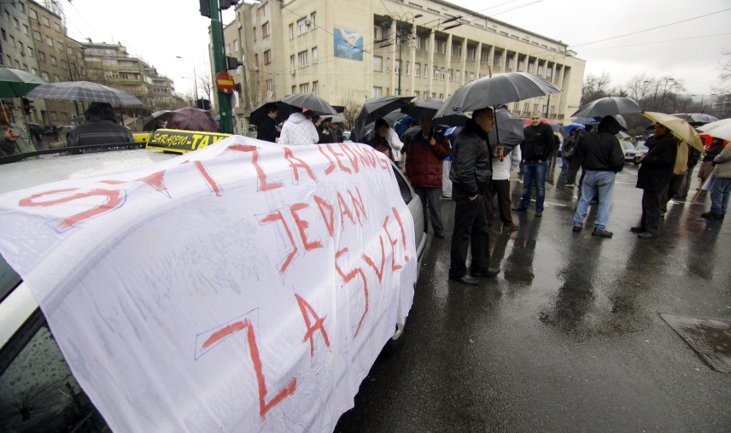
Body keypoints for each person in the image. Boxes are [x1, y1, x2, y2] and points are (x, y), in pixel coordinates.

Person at [448, 107, 498, 285]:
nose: (492, 121)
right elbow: (464, 170)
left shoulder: (478, 136)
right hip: (469, 193)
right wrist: (472, 193)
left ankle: (480, 266)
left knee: (481, 230)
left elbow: (477, 162)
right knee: (463, 233)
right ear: (478, 120)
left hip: (476, 191)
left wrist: (493, 152)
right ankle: (457, 272)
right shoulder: (470, 138)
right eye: (489, 118)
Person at [571, 116, 625, 238]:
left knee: (585, 199)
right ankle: (600, 227)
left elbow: (580, 153)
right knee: (604, 201)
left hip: (590, 171)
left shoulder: (590, 138)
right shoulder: (613, 140)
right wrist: (617, 168)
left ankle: (577, 223)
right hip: (606, 173)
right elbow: (617, 160)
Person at [404, 116, 450, 238]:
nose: (425, 123)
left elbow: (445, 153)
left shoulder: (439, 138)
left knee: (435, 208)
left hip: (433, 181)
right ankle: (422, 230)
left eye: (427, 120)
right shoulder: (415, 139)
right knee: (420, 209)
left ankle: (438, 230)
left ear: (432, 123)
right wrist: (411, 174)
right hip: (418, 181)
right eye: (422, 120)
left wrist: (435, 144)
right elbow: (409, 159)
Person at [632, 122, 678, 239]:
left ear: (665, 129)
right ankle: (644, 225)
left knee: (653, 204)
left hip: (657, 178)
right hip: (650, 177)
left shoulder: (670, 142)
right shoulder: (661, 140)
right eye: (656, 127)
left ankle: (652, 229)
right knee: (646, 203)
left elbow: (665, 161)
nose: (656, 129)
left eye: (658, 128)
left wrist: (647, 159)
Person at [515, 112, 554, 216]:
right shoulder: (527, 130)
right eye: (533, 118)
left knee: (540, 187)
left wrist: (544, 158)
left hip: (540, 162)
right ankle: (524, 205)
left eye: (537, 118)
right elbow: (522, 144)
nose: (535, 120)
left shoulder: (546, 128)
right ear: (530, 119)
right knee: (526, 185)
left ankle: (539, 209)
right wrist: (524, 158)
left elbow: (551, 144)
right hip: (528, 161)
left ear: (540, 118)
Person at [67, 102, 133, 148]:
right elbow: (133, 153)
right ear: (111, 113)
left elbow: (70, 157)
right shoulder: (125, 132)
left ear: (90, 112)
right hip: (119, 167)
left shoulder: (77, 132)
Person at [701, 141, 731, 221]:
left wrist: (716, 159)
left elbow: (724, 155)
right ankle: (722, 211)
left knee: (717, 192)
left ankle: (716, 212)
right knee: (726, 192)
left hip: (725, 171)